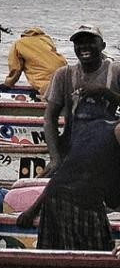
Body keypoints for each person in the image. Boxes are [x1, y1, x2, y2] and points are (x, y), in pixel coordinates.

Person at [15, 118, 120, 250]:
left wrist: (32, 211)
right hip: (82, 207)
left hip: (54, 199)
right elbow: (113, 200)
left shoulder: (94, 126)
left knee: (56, 263)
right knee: (95, 264)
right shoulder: (108, 141)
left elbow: (61, 175)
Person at [43, 25, 120, 174]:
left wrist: (105, 93)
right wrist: (54, 158)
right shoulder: (63, 75)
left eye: (90, 41)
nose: (84, 46)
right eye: (79, 43)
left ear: (102, 46)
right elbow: (49, 118)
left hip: (109, 151)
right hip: (72, 149)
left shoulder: (115, 72)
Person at [0, 27, 66, 97]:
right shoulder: (46, 39)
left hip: (44, 79)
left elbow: (16, 68)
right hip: (64, 70)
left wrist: (8, 84)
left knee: (49, 94)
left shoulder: (19, 43)